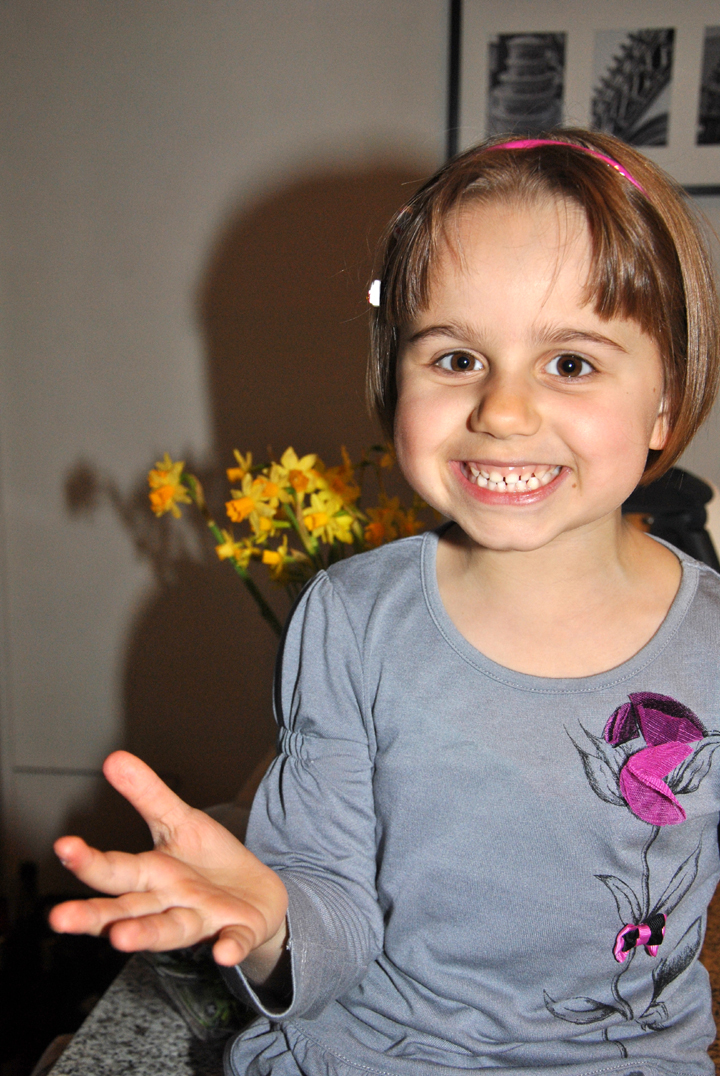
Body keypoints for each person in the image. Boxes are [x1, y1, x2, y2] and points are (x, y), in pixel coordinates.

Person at [50, 130, 720, 1075]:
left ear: (665, 401)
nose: (503, 411)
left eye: (571, 363)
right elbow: (333, 906)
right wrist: (273, 923)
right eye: (456, 358)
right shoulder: (350, 621)